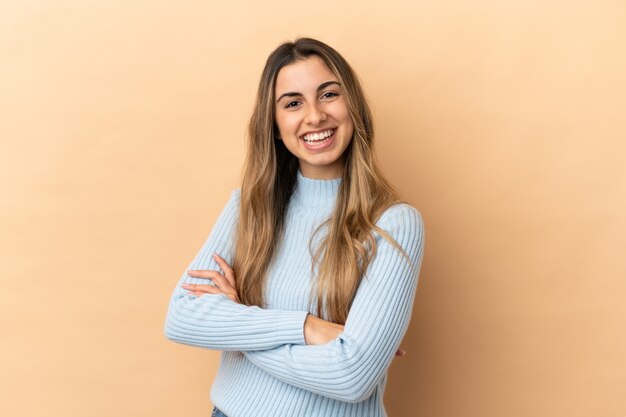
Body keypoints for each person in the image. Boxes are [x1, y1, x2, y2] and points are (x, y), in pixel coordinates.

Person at [164, 37, 425, 417]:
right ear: (274, 124)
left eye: (329, 94)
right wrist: (307, 327)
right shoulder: (247, 209)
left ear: (353, 106)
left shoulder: (393, 223)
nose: (315, 116)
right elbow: (183, 317)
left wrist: (236, 323)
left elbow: (352, 376)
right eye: (293, 103)